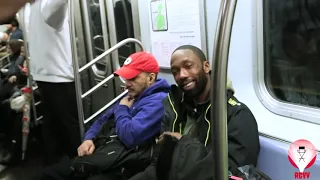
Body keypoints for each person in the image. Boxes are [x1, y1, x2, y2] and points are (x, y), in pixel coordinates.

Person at [129, 45, 260, 180]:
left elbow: (232, 172)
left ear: (206, 66)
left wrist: (181, 142)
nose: (182, 75)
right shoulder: (176, 108)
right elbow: (161, 165)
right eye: (175, 72)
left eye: (188, 66)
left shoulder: (236, 115)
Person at [33, 52, 171, 180]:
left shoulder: (158, 101)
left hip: (124, 162)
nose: (127, 84)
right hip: (105, 152)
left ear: (151, 78)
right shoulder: (133, 94)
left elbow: (131, 136)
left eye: (133, 78)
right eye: (126, 78)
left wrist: (122, 109)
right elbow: (102, 119)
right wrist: (89, 138)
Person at [25, 0, 81, 166]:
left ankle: (52, 165)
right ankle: (79, 166)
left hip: (43, 73)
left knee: (51, 125)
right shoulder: (46, 4)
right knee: (70, 127)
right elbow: (52, 16)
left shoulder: (32, 7)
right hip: (58, 74)